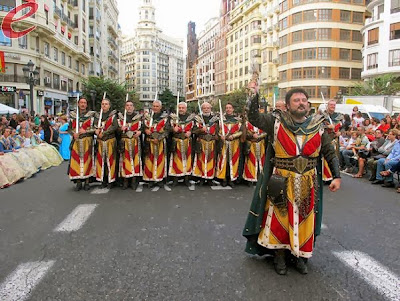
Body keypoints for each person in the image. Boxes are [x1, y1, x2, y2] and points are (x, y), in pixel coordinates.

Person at [242, 87, 341, 275]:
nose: (301, 103)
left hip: (308, 182)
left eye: (304, 100)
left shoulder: (318, 125)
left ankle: (299, 256)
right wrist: (254, 95)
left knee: (304, 220)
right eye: (296, 100)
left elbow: (329, 151)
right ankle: (279, 257)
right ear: (287, 105)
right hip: (281, 180)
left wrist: (337, 176)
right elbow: (254, 117)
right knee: (280, 220)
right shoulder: (275, 122)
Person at [69, 97, 96, 191]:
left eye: (84, 102)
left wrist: (86, 131)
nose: (83, 104)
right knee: (76, 161)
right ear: (78, 103)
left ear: (87, 104)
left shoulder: (91, 115)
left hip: (87, 141)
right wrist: (73, 133)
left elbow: (95, 128)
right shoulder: (73, 115)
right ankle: (78, 182)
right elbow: (69, 128)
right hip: (76, 141)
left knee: (87, 161)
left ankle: (87, 182)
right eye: (81, 102)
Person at [143, 100, 170, 189]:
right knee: (149, 161)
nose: (155, 108)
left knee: (160, 161)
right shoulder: (147, 117)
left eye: (157, 106)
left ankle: (159, 179)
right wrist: (145, 130)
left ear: (160, 107)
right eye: (154, 106)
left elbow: (167, 130)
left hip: (160, 142)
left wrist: (158, 138)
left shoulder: (165, 118)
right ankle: (150, 179)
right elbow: (143, 127)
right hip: (149, 141)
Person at [192, 102, 219, 185]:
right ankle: (201, 178)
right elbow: (193, 130)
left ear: (210, 109)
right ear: (202, 109)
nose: (206, 110)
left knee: (211, 160)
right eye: (204, 108)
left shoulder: (215, 119)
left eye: (208, 108)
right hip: (201, 142)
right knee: (200, 160)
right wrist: (201, 130)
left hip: (212, 142)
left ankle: (210, 178)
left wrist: (217, 136)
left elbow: (218, 131)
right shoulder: (198, 119)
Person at [216, 103, 242, 187]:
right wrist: (221, 136)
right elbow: (217, 131)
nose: (228, 109)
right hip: (224, 144)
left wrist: (233, 136)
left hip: (234, 143)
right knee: (223, 161)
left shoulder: (238, 120)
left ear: (233, 109)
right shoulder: (221, 120)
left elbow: (241, 132)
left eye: (230, 108)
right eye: (227, 108)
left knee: (233, 161)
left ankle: (231, 179)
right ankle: (224, 179)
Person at [118, 100, 143, 190]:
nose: (129, 107)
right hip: (124, 142)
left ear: (133, 107)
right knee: (124, 162)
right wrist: (120, 129)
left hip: (135, 141)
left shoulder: (139, 117)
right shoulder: (120, 117)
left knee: (135, 161)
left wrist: (140, 131)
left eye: (131, 105)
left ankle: (134, 180)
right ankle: (125, 180)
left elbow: (144, 127)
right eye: (127, 105)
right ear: (125, 107)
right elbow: (116, 130)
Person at [169, 102, 195, 187]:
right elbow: (167, 128)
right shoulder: (173, 118)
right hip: (176, 141)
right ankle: (175, 179)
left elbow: (196, 128)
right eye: (179, 108)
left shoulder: (191, 118)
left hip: (187, 142)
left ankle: (186, 179)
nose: (181, 109)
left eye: (182, 108)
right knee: (176, 161)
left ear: (186, 108)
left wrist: (190, 132)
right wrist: (173, 129)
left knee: (187, 160)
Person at [95, 98, 118, 189]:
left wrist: (104, 133)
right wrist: (96, 131)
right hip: (100, 142)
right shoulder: (98, 116)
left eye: (106, 104)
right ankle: (102, 180)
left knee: (110, 161)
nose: (104, 105)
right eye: (103, 104)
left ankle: (111, 180)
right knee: (101, 161)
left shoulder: (113, 116)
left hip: (110, 141)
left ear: (109, 105)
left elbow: (114, 126)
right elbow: (94, 126)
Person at [323, 99, 343, 182]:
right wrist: (327, 127)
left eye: (334, 105)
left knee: (334, 157)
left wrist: (340, 132)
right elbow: (316, 125)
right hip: (325, 139)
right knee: (325, 157)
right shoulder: (322, 115)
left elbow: (343, 128)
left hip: (335, 139)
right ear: (327, 105)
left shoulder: (338, 116)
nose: (333, 106)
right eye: (331, 105)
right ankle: (325, 176)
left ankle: (333, 176)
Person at [242, 119, 266, 184]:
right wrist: (252, 135)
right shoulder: (247, 123)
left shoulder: (262, 122)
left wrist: (259, 136)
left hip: (261, 144)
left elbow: (266, 132)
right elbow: (244, 135)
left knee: (261, 161)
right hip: (251, 145)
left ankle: (260, 177)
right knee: (250, 161)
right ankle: (250, 179)